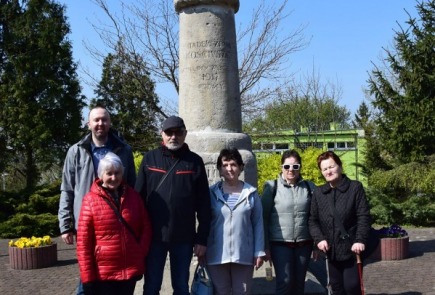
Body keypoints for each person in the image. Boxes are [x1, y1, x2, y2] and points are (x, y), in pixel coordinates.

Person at [58, 106, 136, 294]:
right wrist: (66, 224)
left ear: (110, 123)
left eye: (104, 120)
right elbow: (67, 188)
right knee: (87, 274)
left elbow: (132, 187)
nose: (100, 124)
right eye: (96, 120)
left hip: (115, 225)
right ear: (89, 124)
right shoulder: (75, 151)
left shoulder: (124, 150)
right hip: (86, 223)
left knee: (112, 276)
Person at [135, 115, 211, 295]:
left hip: (183, 238)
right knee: (152, 287)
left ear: (185, 134)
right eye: (169, 132)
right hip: (154, 237)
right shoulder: (149, 159)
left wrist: (202, 239)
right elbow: (138, 199)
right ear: (162, 134)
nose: (173, 136)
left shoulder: (195, 161)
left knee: (181, 287)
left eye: (178, 132)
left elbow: (204, 204)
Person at [76, 152, 152, 295]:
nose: (113, 177)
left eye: (117, 173)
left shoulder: (133, 196)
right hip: (104, 272)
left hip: (129, 270)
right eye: (109, 173)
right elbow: (83, 243)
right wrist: (87, 279)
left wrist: (140, 251)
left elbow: (146, 226)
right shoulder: (90, 200)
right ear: (101, 175)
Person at [309, 151, 371, 295]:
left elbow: (363, 216)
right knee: (336, 288)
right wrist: (319, 239)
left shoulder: (355, 188)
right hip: (330, 251)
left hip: (352, 249)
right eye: (324, 169)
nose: (328, 171)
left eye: (331, 166)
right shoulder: (319, 193)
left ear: (340, 166)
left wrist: (360, 240)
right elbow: (313, 220)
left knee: (352, 286)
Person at [206, 148, 265, 295]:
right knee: (220, 292)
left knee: (242, 292)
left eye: (233, 164)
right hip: (217, 254)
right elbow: (204, 221)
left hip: (243, 254)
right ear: (219, 169)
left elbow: (258, 223)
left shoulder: (250, 193)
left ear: (240, 168)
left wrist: (259, 251)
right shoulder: (211, 193)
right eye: (224, 165)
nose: (229, 169)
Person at [261, 149, 315, 295]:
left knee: (299, 286)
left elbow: (315, 218)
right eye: (287, 166)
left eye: (295, 166)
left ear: (300, 168)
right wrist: (265, 246)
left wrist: (316, 244)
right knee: (284, 284)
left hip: (304, 244)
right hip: (280, 245)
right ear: (281, 168)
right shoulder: (272, 187)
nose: (291, 170)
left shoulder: (309, 188)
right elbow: (263, 218)